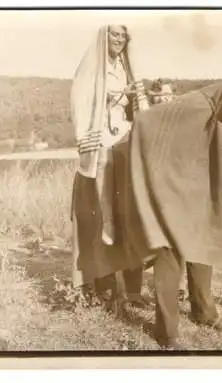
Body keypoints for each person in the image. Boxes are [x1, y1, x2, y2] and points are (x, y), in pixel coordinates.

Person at [119, 74, 222, 348]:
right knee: (168, 255)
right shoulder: (196, 104)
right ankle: (166, 331)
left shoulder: (220, 109)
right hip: (169, 194)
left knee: (202, 249)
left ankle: (203, 312)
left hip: (196, 194)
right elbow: (146, 122)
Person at [70, 25, 149, 311]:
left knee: (130, 212)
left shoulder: (126, 66)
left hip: (124, 139)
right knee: (105, 216)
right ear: (103, 36)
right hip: (101, 141)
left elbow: (134, 104)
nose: (119, 40)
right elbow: (83, 99)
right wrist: (116, 94)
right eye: (114, 34)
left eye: (123, 35)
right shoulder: (91, 66)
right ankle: (104, 286)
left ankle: (133, 289)